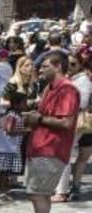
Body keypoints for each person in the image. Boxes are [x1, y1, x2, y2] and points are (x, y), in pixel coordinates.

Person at [18, 52, 80, 213]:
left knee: (38, 194)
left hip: (51, 149)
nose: (41, 69)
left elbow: (67, 122)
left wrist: (38, 120)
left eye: (45, 66)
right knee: (38, 194)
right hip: (39, 147)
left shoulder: (67, 90)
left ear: (58, 67)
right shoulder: (49, 88)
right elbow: (43, 116)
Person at [53, 54, 92, 202]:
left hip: (74, 122)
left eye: (73, 64)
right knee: (63, 155)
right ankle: (60, 189)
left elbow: (80, 103)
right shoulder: (72, 79)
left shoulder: (82, 81)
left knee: (65, 156)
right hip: (67, 121)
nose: (69, 66)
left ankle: (61, 191)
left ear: (81, 65)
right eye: (67, 63)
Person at [0, 92, 28, 197]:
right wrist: (23, 132)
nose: (25, 105)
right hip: (6, 147)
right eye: (23, 103)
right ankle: (2, 189)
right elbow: (9, 130)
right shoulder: (12, 116)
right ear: (16, 104)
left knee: (6, 170)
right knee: (3, 171)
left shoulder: (15, 115)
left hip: (9, 147)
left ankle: (4, 189)